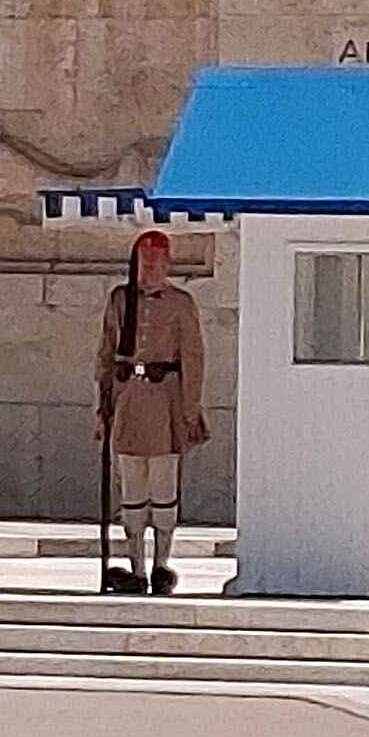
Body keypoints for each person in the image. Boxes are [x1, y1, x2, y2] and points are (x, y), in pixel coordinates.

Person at [94, 230, 209, 595]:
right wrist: (103, 407)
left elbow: (192, 358)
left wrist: (189, 410)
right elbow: (107, 353)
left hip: (164, 400)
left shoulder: (180, 303)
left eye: (158, 262)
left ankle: (161, 563)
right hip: (129, 398)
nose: (152, 269)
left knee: (162, 482)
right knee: (131, 484)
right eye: (145, 263)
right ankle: (136, 567)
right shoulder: (120, 300)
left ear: (169, 264)